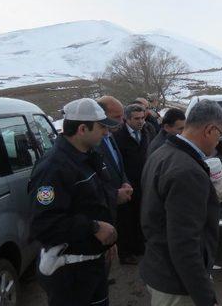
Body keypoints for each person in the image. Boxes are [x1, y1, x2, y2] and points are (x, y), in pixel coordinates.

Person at [29, 98, 119, 306]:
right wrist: (94, 228)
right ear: (82, 129)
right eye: (101, 127)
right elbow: (44, 224)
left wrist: (106, 240)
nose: (106, 132)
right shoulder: (53, 168)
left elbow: (88, 200)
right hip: (69, 272)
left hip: (91, 263)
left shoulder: (86, 156)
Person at [140, 100, 222, 306]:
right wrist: (205, 297)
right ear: (210, 130)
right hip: (177, 285)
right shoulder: (186, 171)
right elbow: (185, 244)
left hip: (159, 268)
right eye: (220, 134)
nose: (219, 142)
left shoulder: (161, 152)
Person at [113, 103, 150, 264]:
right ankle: (125, 252)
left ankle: (139, 246)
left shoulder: (147, 131)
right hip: (127, 184)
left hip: (144, 181)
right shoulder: (118, 136)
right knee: (126, 220)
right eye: (136, 119)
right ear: (126, 119)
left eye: (142, 118)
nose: (140, 121)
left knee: (140, 215)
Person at [95, 96, 133, 217]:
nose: (122, 121)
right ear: (102, 116)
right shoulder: (92, 143)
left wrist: (125, 182)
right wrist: (114, 195)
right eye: (117, 117)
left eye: (122, 116)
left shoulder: (110, 134)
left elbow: (117, 166)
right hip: (104, 212)